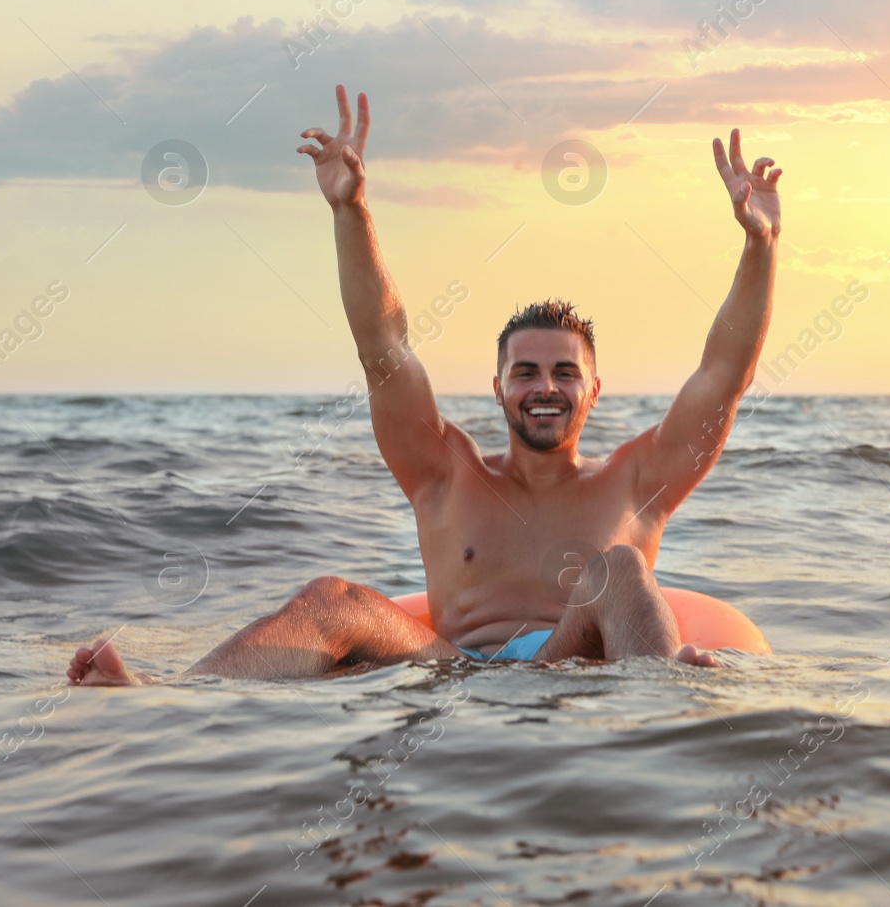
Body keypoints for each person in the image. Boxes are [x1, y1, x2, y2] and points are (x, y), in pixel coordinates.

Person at [67, 85, 781, 686]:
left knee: (620, 566)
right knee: (333, 597)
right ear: (498, 388)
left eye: (566, 372)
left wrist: (760, 247)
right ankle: (167, 705)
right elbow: (383, 346)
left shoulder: (636, 481)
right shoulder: (446, 472)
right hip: (455, 674)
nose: (545, 386)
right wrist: (351, 211)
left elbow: (725, 373)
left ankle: (665, 728)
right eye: (525, 371)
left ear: (594, 390)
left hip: (579, 672)